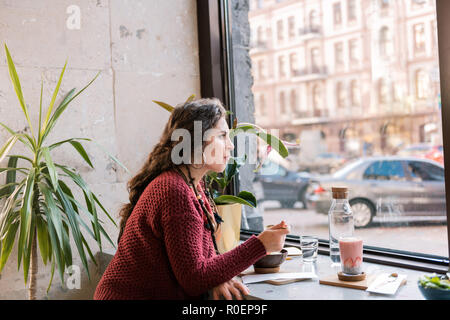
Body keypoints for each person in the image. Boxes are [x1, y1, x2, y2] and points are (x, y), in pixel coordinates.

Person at [93, 98, 289, 300]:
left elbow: (196, 258)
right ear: (197, 141)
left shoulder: (191, 183)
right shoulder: (174, 190)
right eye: (222, 136)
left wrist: (218, 277)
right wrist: (260, 245)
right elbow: (194, 277)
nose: (230, 146)